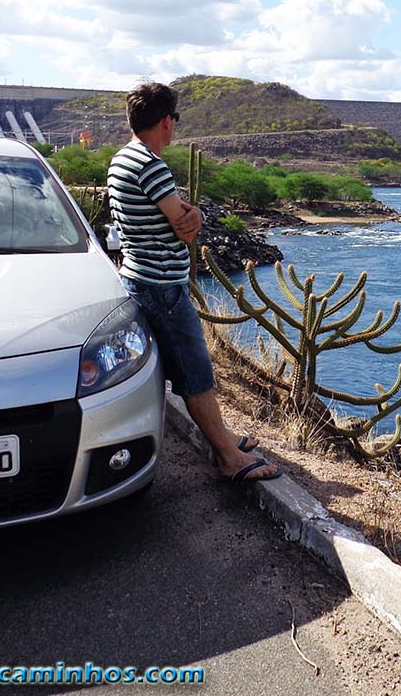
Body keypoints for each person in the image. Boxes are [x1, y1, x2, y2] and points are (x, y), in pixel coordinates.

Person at [108, 82, 281, 483]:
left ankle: (225, 440)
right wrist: (193, 218)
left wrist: (195, 214)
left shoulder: (123, 159)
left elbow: (183, 216)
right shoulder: (151, 166)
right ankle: (227, 458)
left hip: (139, 276)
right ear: (167, 122)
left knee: (187, 369)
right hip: (162, 286)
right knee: (195, 373)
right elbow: (184, 228)